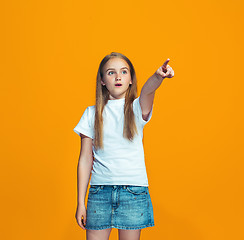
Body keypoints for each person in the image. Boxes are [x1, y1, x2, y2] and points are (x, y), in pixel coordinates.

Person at [74, 52, 174, 240]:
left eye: (124, 72)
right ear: (102, 80)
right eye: (111, 73)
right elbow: (85, 159)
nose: (118, 77)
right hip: (99, 192)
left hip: (133, 192)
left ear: (130, 79)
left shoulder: (136, 108)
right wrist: (80, 201)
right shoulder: (91, 114)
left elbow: (148, 91)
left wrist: (157, 77)